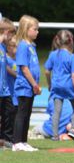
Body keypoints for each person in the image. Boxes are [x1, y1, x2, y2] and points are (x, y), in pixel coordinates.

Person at [44, 30, 74, 141]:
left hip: (56, 86)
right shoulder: (72, 57)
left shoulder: (52, 55)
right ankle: (73, 130)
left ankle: (55, 135)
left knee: (57, 111)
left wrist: (49, 84)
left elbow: (46, 71)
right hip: (68, 86)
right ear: (71, 42)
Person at [12, 15, 42, 152]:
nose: (37, 32)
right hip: (25, 85)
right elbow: (24, 68)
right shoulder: (23, 46)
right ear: (26, 29)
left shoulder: (32, 46)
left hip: (31, 86)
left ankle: (23, 141)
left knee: (28, 113)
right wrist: (34, 84)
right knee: (22, 113)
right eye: (35, 29)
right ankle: (17, 141)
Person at [0, 18, 16, 147]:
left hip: (4, 89)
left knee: (9, 112)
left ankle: (6, 140)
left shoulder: (3, 48)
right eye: (11, 34)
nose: (12, 38)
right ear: (5, 32)